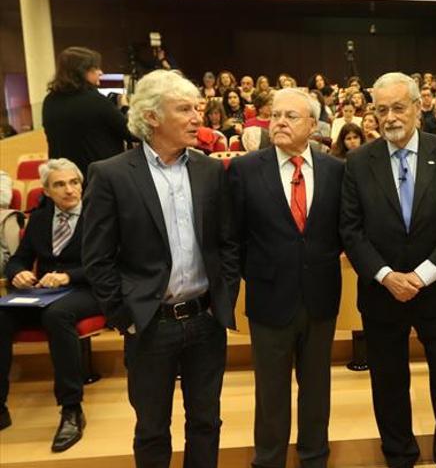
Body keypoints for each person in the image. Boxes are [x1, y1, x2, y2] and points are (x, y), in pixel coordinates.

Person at [82, 70, 239, 468]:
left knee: (206, 422)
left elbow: (227, 242)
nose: (196, 117)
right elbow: (97, 257)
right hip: (150, 323)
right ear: (151, 117)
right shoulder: (112, 174)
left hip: (205, 319)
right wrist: (124, 316)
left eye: (197, 108)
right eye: (184, 109)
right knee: (152, 428)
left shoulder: (207, 170)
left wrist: (224, 299)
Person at [340, 72, 436, 468]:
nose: (390, 117)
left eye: (399, 107)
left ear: (419, 107)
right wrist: (385, 275)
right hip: (383, 293)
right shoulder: (358, 161)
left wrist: (423, 275)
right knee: (388, 383)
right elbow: (350, 229)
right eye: (381, 109)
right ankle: (399, 456)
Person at [228, 88, 345, 468]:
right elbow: (233, 236)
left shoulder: (335, 170)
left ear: (313, 125)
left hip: (320, 297)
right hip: (268, 298)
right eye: (275, 115)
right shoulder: (246, 169)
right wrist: (259, 274)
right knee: (271, 393)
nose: (278, 121)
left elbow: (342, 232)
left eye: (290, 116)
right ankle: (269, 460)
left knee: (317, 390)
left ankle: (315, 459)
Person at [0, 159, 101, 451]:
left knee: (57, 315)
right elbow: (20, 257)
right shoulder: (41, 219)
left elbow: (109, 264)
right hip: (43, 292)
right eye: (59, 184)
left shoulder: (98, 215)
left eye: (74, 182)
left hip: (87, 290)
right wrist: (16, 272)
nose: (69, 190)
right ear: (46, 190)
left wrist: (68, 275)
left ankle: (71, 409)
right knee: (1, 314)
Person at [43, 46, 131, 182]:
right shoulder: (96, 101)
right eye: (95, 68)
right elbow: (131, 132)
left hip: (66, 179)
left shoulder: (49, 101)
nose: (100, 72)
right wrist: (125, 107)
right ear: (82, 72)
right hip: (99, 180)